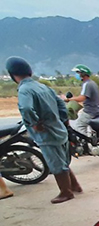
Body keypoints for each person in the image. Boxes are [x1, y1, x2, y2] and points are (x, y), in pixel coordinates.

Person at [6, 56, 82, 204]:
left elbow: (26, 108)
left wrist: (34, 123)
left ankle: (66, 192)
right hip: (59, 129)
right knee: (62, 161)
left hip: (47, 132)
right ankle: (75, 186)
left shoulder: (25, 90)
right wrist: (63, 120)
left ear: (12, 75)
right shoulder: (43, 86)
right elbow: (60, 103)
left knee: (56, 163)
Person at [63, 64, 99, 142]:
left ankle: (86, 144)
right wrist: (73, 98)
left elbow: (82, 98)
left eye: (78, 73)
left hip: (90, 111)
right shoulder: (91, 83)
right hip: (95, 109)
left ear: (83, 74)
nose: (76, 75)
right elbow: (83, 96)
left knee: (79, 127)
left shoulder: (87, 84)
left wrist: (68, 99)